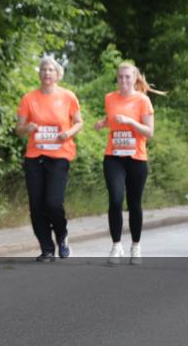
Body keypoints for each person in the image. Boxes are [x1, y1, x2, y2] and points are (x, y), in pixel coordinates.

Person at [16, 57, 84, 261]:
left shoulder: (68, 97)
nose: (47, 73)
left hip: (59, 156)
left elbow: (79, 122)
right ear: (39, 74)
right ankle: (47, 249)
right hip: (35, 157)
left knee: (53, 203)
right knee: (36, 206)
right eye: (44, 69)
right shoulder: (29, 99)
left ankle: (62, 235)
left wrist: (68, 133)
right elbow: (18, 129)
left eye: (51, 70)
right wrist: (27, 128)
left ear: (58, 74)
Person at [94, 62, 161, 265]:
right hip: (113, 156)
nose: (123, 80)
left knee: (134, 203)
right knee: (115, 199)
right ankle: (116, 245)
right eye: (120, 77)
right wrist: (103, 123)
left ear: (134, 79)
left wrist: (130, 122)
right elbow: (112, 118)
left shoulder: (143, 101)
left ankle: (135, 245)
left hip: (136, 158)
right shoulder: (110, 98)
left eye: (127, 77)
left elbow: (149, 132)